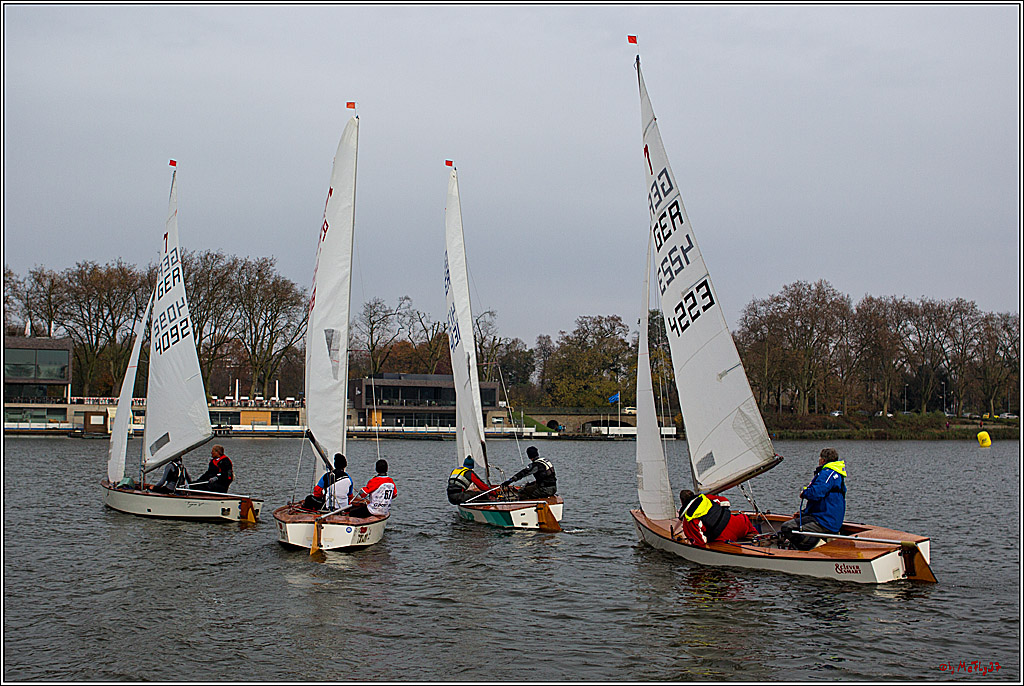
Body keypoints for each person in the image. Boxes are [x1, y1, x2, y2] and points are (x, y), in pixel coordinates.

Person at [781, 448, 847, 550]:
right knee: (798, 521)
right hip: (828, 519)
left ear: (823, 460)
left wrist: (804, 492)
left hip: (825, 521)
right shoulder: (836, 473)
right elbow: (823, 499)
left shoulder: (827, 473)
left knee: (787, 528)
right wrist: (804, 513)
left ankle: (818, 546)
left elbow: (816, 493)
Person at [677, 489, 759, 546]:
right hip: (738, 524)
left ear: (682, 502)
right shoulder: (706, 498)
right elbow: (726, 503)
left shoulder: (689, 518)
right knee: (744, 519)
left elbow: (701, 541)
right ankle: (760, 538)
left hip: (724, 537)